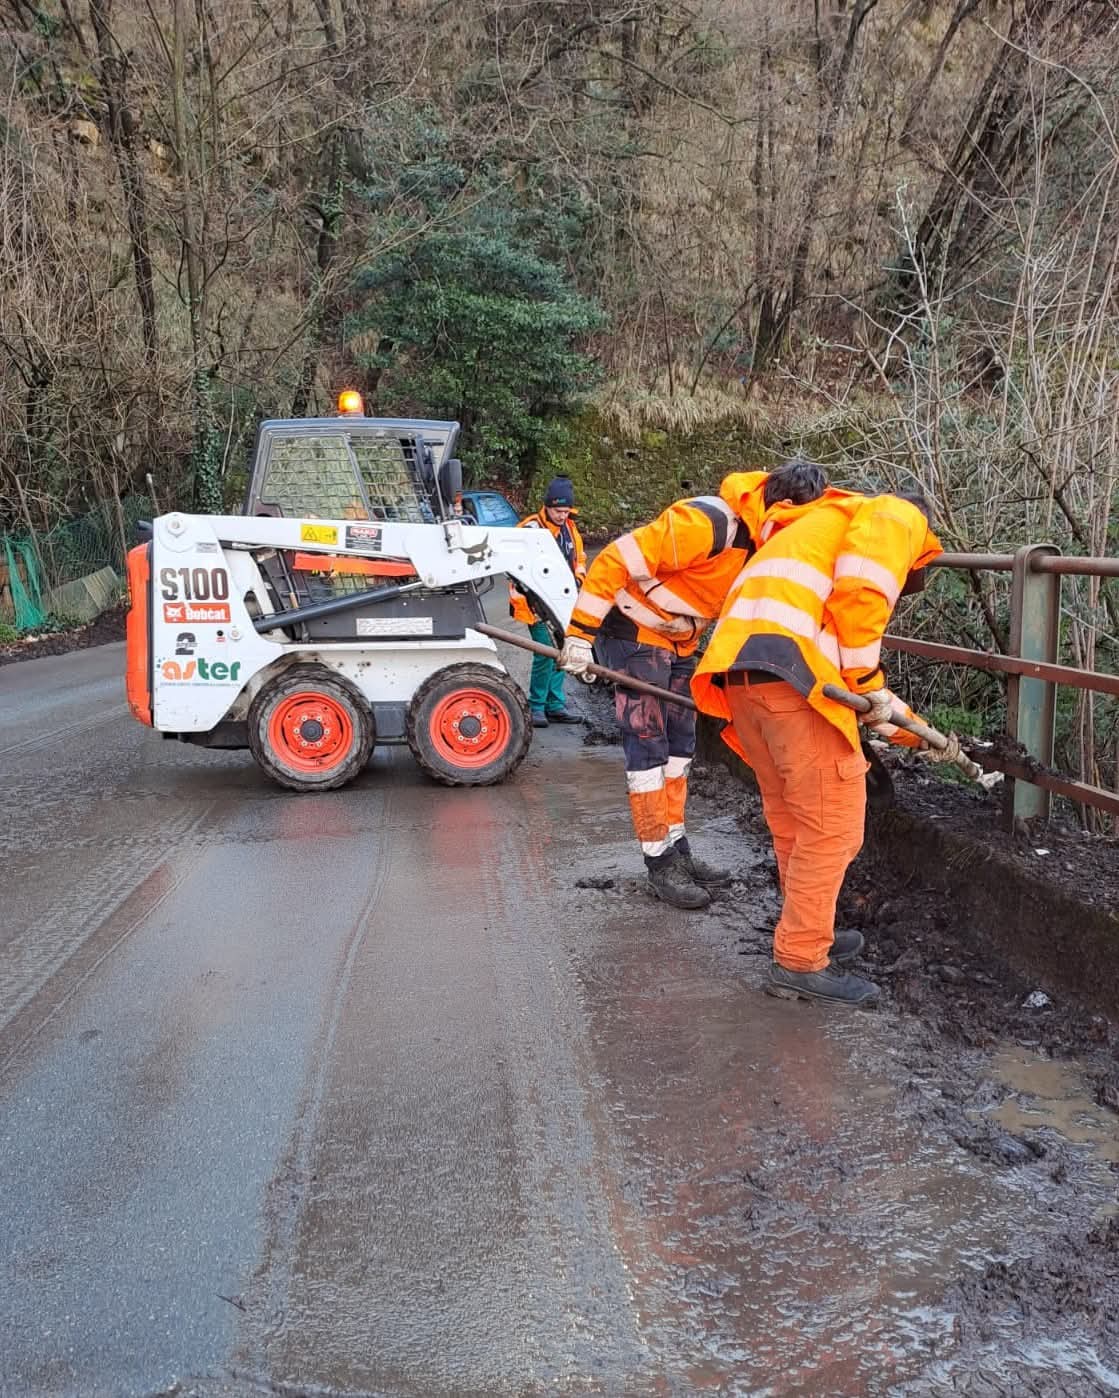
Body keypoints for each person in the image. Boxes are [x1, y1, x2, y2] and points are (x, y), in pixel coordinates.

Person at [692, 487, 954, 1007]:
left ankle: (810, 933)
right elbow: (863, 593)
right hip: (792, 685)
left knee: (794, 821)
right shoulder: (894, 515)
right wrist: (868, 678)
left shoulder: (816, 527)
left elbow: (859, 686)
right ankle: (801, 961)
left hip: (746, 680)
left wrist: (916, 736)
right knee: (831, 826)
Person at [558, 461, 830, 910]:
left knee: (681, 749)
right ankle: (658, 862)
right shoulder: (708, 523)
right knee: (648, 748)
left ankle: (677, 847)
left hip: (680, 642)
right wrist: (580, 635)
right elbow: (614, 558)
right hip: (632, 631)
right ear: (781, 507)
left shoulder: (763, 542)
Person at [510, 476, 587, 728]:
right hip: (534, 605)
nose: (562, 516)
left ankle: (555, 705)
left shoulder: (570, 529)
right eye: (558, 511)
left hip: (562, 601)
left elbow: (580, 559)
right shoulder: (529, 530)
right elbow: (515, 569)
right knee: (545, 652)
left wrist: (578, 579)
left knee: (563, 651)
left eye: (566, 511)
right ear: (547, 506)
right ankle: (537, 706)